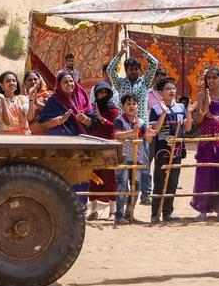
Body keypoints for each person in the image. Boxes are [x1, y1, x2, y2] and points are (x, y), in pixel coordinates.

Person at [30, 72, 94, 206]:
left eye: (71, 81)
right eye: (65, 82)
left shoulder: (82, 96)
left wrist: (85, 119)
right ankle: (66, 207)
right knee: (66, 175)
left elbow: (91, 120)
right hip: (63, 147)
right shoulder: (55, 100)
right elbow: (44, 123)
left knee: (82, 174)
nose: (69, 84)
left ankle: (81, 207)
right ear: (59, 85)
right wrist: (60, 120)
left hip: (82, 144)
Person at [191, 66, 219, 221]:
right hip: (207, 141)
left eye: (214, 78)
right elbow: (198, 120)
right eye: (209, 78)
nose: (211, 81)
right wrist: (205, 106)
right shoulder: (202, 95)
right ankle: (203, 210)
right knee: (205, 173)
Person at [149, 77, 191, 223]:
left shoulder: (181, 107)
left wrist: (190, 112)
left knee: (173, 181)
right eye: (168, 89)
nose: (172, 91)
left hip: (177, 150)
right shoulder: (155, 109)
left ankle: (168, 213)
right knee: (159, 181)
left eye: (173, 88)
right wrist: (164, 113)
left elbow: (188, 128)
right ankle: (155, 213)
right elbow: (155, 129)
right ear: (161, 93)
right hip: (162, 149)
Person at [112, 92, 156, 224]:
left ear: (138, 106)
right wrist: (132, 132)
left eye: (134, 104)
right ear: (123, 106)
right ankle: (119, 216)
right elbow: (117, 135)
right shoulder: (119, 120)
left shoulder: (141, 122)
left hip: (137, 157)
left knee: (136, 187)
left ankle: (129, 214)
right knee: (122, 187)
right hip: (123, 158)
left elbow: (146, 139)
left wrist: (149, 134)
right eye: (128, 104)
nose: (131, 106)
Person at [86, 82, 121, 219]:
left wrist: (101, 119)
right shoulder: (92, 108)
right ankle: (93, 210)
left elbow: (115, 127)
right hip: (95, 146)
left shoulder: (112, 108)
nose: (102, 95)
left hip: (108, 146)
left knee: (109, 177)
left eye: (105, 92)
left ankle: (112, 212)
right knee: (94, 176)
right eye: (100, 93)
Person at [107, 45, 162, 118]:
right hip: (124, 123)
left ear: (140, 70)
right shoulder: (120, 83)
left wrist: (138, 48)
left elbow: (154, 63)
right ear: (126, 71)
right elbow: (109, 70)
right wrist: (121, 53)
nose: (134, 71)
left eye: (136, 69)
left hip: (141, 122)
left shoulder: (145, 81)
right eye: (131, 69)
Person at [0, 71, 31, 135]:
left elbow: (29, 117)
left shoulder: (23, 99)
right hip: (7, 140)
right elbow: (7, 122)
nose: (12, 83)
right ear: (1, 85)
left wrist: (31, 96)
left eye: (14, 81)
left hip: (24, 139)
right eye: (8, 81)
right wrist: (3, 100)